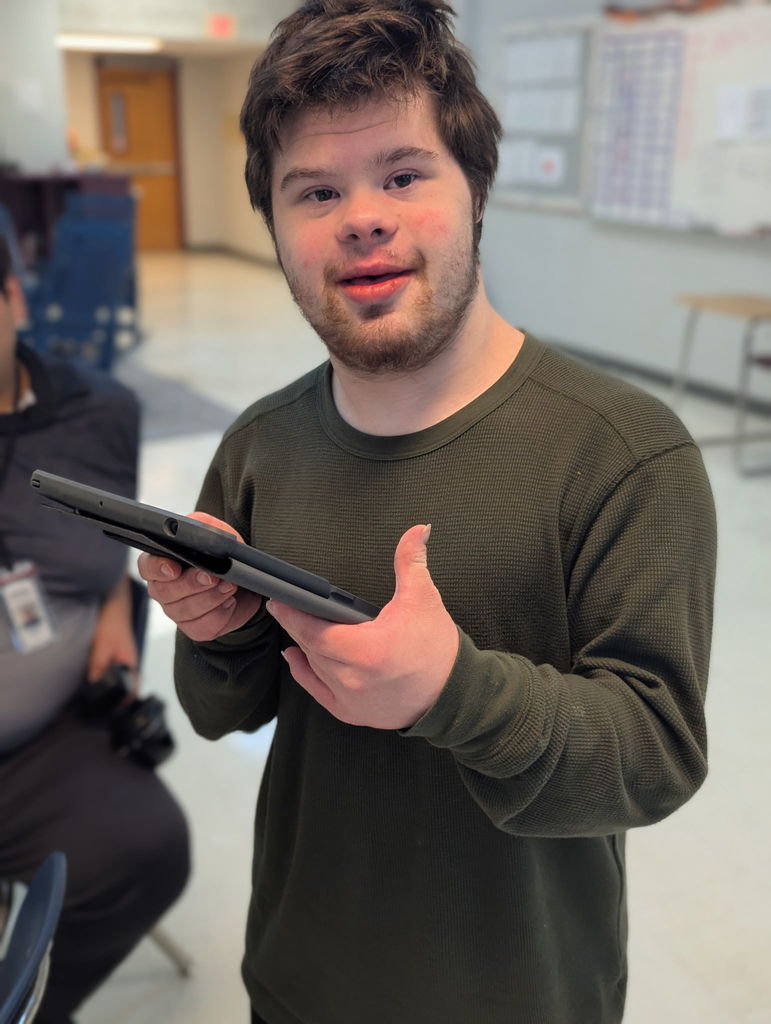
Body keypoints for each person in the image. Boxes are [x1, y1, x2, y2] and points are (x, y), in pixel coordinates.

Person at [138, 3, 717, 1022]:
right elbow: (224, 712)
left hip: (525, 993)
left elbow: (655, 754)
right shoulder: (260, 447)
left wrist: (453, 690)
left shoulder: (622, 452)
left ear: (475, 187)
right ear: (274, 228)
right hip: (300, 977)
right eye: (315, 190)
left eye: (404, 175)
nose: (362, 215)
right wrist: (218, 633)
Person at [0, 235, 190, 1024]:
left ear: (12, 300)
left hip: (45, 739)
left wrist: (119, 602)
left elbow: (110, 541)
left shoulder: (99, 413)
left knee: (147, 846)